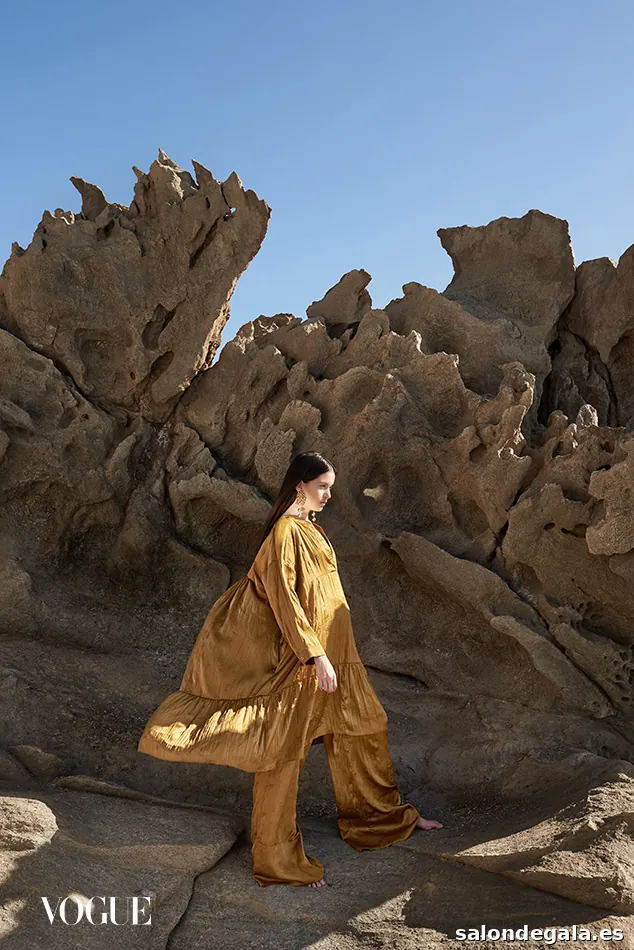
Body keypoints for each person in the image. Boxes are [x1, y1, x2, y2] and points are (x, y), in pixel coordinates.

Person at [137, 452, 443, 887]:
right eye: (322, 486)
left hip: (340, 657)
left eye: (330, 486)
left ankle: (380, 821)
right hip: (304, 664)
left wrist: (330, 653)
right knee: (282, 757)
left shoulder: (310, 529)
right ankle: (277, 861)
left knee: (365, 727)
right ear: (300, 484)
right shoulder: (284, 532)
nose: (329, 494)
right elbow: (284, 598)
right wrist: (313, 655)